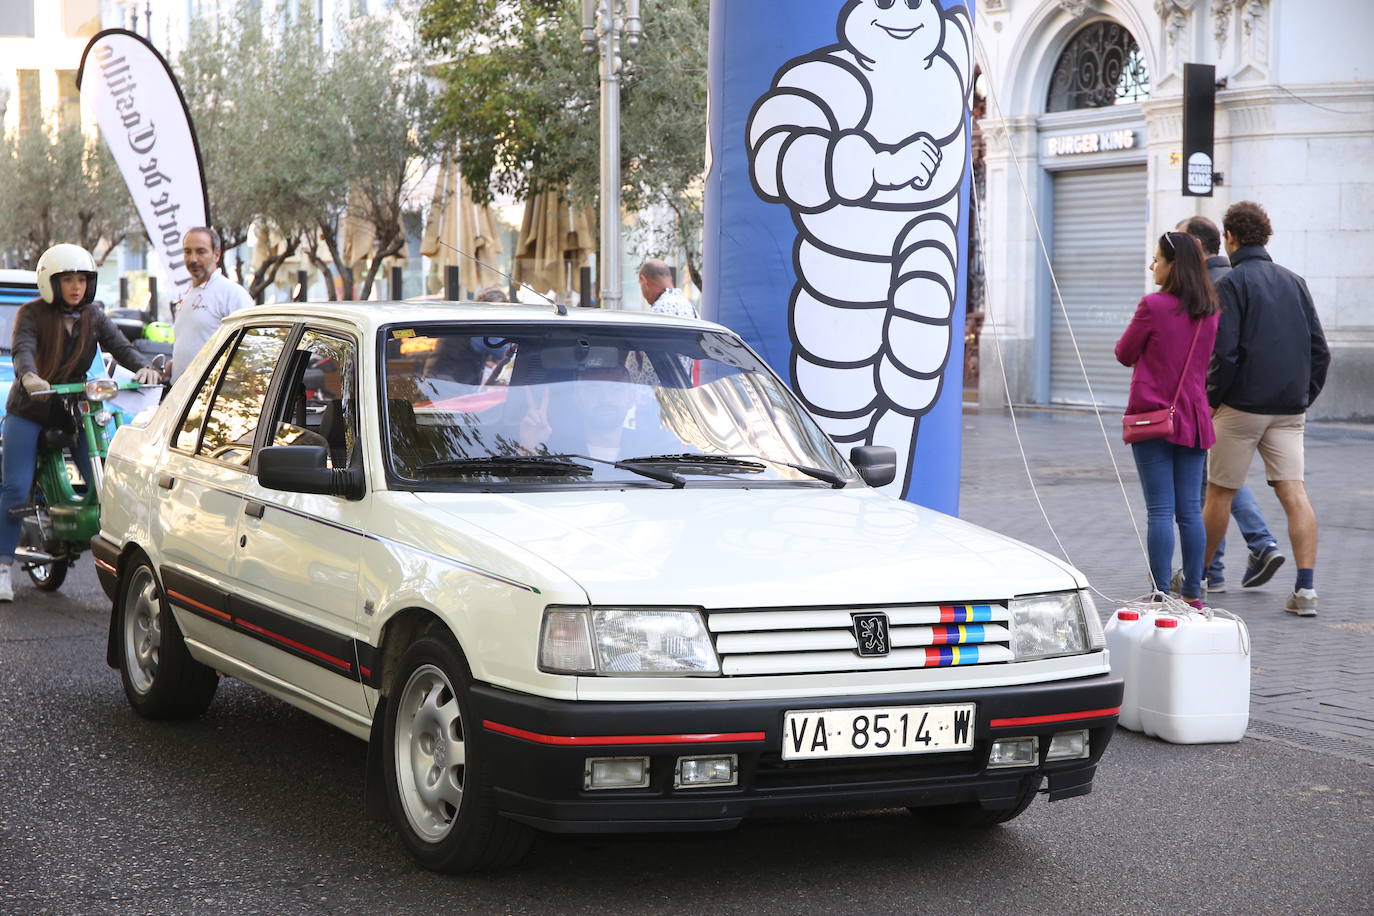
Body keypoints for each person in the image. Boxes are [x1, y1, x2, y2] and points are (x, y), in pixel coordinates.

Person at [0, 244, 161, 602]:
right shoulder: (30, 314)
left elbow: (121, 347)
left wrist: (144, 368)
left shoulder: (95, 316)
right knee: (14, 488)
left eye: (82, 280)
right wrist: (29, 377)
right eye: (68, 280)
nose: (76, 287)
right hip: (29, 410)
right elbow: (22, 350)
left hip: (72, 410)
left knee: (105, 480)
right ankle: (3, 568)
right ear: (51, 282)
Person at [1203, 201, 1329, 617]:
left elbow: (1226, 353)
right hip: (1289, 408)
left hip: (1241, 407)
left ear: (1231, 237)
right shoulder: (1295, 281)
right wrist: (1303, 396)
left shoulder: (1232, 284)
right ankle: (1306, 590)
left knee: (1219, 491)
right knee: (1294, 492)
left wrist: (1212, 400)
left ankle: (1196, 579)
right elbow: (1319, 350)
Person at [1174, 216, 1284, 593]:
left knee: (1218, 481)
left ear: (1197, 246)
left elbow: (1215, 351)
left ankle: (1258, 543)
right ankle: (1219, 567)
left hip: (1215, 396)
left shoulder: (1209, 285)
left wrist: (1210, 397)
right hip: (1250, 395)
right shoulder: (1237, 278)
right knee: (1217, 479)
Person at [1115, 231, 1220, 609]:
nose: (1152, 265)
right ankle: (1193, 591)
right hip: (1194, 418)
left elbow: (1124, 352)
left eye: (1157, 258)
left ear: (1173, 264)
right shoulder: (1210, 311)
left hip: (1153, 418)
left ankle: (1160, 592)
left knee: (1160, 510)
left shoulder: (1153, 305)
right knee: (1190, 510)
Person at [169, 226, 253, 382]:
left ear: (217, 255)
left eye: (201, 251)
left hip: (212, 398)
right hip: (180, 396)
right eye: (187, 252)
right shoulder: (186, 293)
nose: (193, 259)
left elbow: (248, 351)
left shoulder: (233, 294)